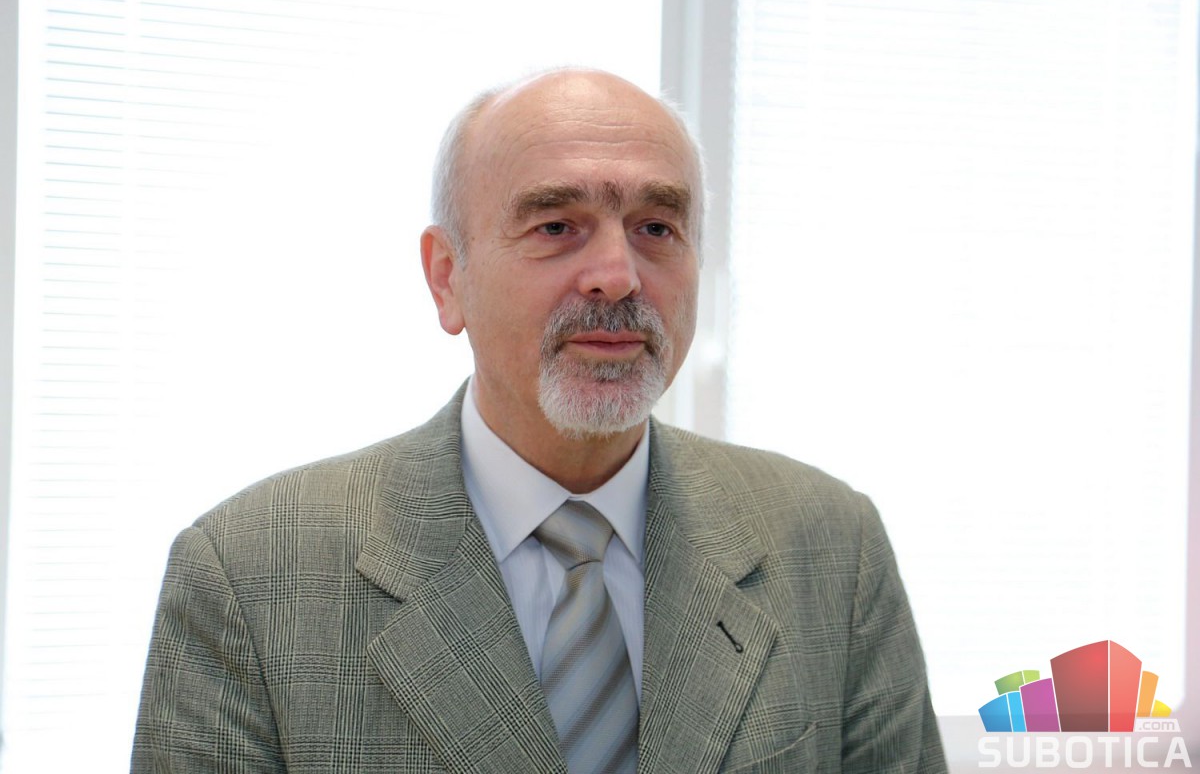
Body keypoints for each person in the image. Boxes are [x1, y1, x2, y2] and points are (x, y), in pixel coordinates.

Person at [132, 68, 946, 773]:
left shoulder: (831, 546)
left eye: (656, 228)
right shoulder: (248, 576)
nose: (616, 275)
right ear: (447, 278)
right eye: (556, 227)